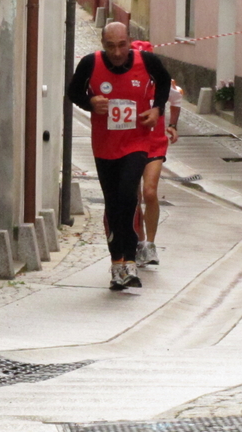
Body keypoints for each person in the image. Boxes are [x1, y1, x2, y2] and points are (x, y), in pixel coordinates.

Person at [68, 22, 171, 291]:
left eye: (122, 45)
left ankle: (130, 261)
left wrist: (157, 109)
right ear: (103, 44)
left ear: (129, 42)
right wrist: (89, 102)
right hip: (104, 147)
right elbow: (73, 92)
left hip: (137, 142)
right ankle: (118, 266)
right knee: (114, 205)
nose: (117, 52)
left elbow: (163, 82)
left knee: (128, 196)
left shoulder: (146, 61)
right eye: (111, 46)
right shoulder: (91, 64)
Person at [130, 41, 182, 267]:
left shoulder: (161, 82)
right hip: (129, 144)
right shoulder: (126, 80)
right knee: (134, 198)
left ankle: (150, 244)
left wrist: (173, 125)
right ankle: (139, 241)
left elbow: (177, 98)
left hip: (155, 144)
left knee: (150, 192)